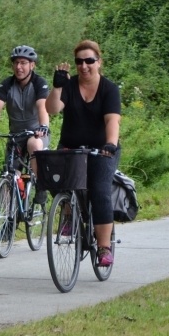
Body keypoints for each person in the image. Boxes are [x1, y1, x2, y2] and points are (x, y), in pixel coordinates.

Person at [46, 40, 121, 266]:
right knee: (57, 180)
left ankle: (104, 248)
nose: (84, 66)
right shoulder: (69, 86)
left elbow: (112, 120)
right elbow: (52, 109)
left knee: (99, 191)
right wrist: (57, 87)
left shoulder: (109, 89)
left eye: (89, 60)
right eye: (79, 61)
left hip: (102, 150)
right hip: (71, 147)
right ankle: (68, 213)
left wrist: (110, 144)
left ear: (99, 62)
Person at [0, 45, 50, 204]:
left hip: (36, 134)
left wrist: (44, 126)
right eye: (16, 63)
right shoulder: (6, 84)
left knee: (34, 144)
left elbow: (42, 106)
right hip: (15, 136)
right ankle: (7, 216)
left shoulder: (39, 83)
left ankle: (40, 186)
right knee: (9, 175)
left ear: (32, 65)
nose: (19, 67)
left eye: (23, 63)